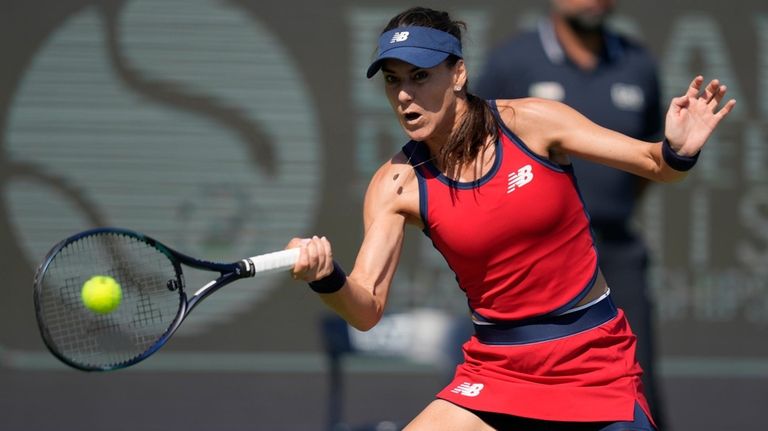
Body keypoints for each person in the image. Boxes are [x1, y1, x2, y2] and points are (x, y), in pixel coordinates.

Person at [287, 6, 734, 430]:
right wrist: (326, 278)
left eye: (420, 76)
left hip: (593, 363)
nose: (405, 94)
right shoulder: (395, 184)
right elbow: (365, 309)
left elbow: (655, 164)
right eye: (393, 80)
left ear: (458, 73)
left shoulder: (532, 124)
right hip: (497, 370)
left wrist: (678, 148)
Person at [473, 0, 667, 426]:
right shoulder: (513, 61)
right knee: (528, 387)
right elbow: (477, 153)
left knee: (636, 386)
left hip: (614, 251)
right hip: (533, 260)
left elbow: (651, 159)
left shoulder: (638, 63)